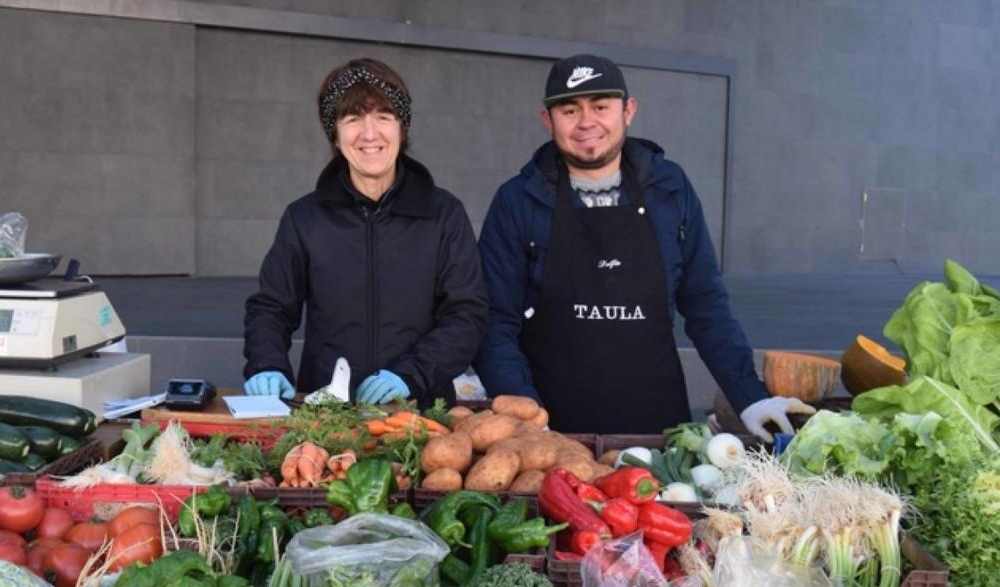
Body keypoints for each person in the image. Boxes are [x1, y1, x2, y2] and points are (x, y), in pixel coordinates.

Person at [474, 54, 811, 439]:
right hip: (552, 431)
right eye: (569, 110)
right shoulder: (518, 201)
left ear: (628, 111)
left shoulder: (670, 189)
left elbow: (706, 304)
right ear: (548, 120)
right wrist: (526, 418)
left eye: (601, 107)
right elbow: (495, 321)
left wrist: (749, 397)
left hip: (657, 427)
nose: (586, 122)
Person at [243, 58, 488, 405]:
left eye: (383, 117)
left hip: (420, 414)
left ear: (401, 128)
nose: (369, 134)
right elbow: (271, 307)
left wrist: (412, 375)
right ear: (335, 133)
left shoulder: (444, 215)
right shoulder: (304, 218)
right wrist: (267, 363)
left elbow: (467, 314)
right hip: (326, 414)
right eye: (353, 119)